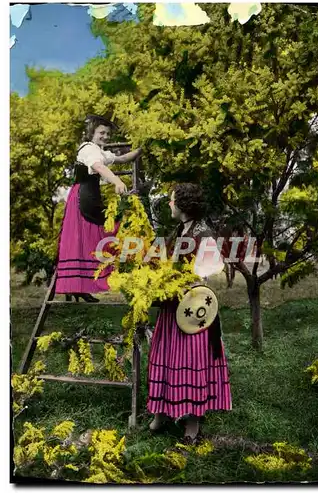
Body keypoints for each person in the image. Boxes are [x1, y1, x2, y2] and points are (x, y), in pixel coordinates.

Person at [147, 183, 232, 443]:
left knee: (190, 361)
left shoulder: (203, 232)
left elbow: (210, 270)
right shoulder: (179, 230)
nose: (170, 204)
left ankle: (192, 424)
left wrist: (188, 283)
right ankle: (160, 413)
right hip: (171, 306)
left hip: (191, 309)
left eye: (172, 200)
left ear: (182, 204)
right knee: (164, 356)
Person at [55, 115, 142, 302]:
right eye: (101, 132)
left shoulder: (99, 151)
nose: (105, 136)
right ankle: (81, 284)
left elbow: (121, 158)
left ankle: (82, 285)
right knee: (100, 231)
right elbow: (98, 167)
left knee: (90, 236)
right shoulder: (88, 150)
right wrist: (117, 180)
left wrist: (143, 148)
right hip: (83, 197)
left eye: (108, 133)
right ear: (92, 133)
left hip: (90, 195)